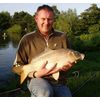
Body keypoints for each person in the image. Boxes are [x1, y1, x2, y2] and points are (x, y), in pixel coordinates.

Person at [12, 4, 74, 97]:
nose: (46, 22)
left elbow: (68, 58)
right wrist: (35, 74)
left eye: (49, 19)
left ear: (53, 20)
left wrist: (68, 66)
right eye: (43, 19)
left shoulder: (62, 37)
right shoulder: (26, 39)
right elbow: (17, 65)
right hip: (37, 80)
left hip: (59, 82)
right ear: (36, 19)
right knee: (44, 93)